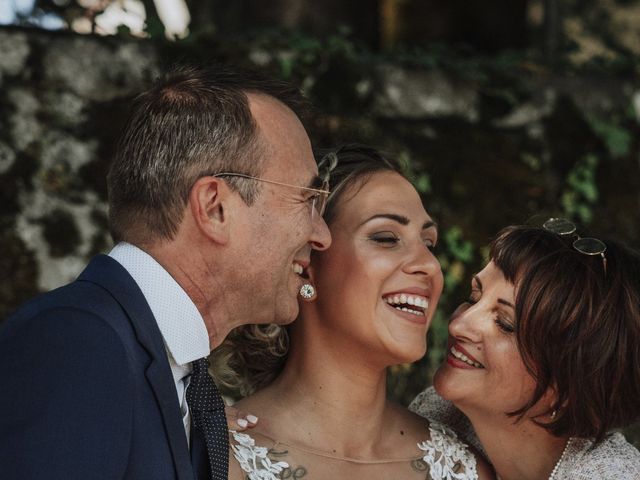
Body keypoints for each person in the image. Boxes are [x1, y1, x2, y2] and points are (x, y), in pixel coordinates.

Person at [0, 64, 332, 480]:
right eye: (308, 199)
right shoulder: (78, 343)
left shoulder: (177, 378)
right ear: (215, 207)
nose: (322, 236)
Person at [213, 144, 494, 480]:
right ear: (305, 263)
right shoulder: (212, 455)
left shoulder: (462, 468)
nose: (430, 266)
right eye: (387, 238)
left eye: (429, 244)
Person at [410, 220, 640, 480]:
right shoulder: (437, 414)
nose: (459, 324)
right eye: (474, 298)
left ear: (570, 383)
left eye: (505, 324)